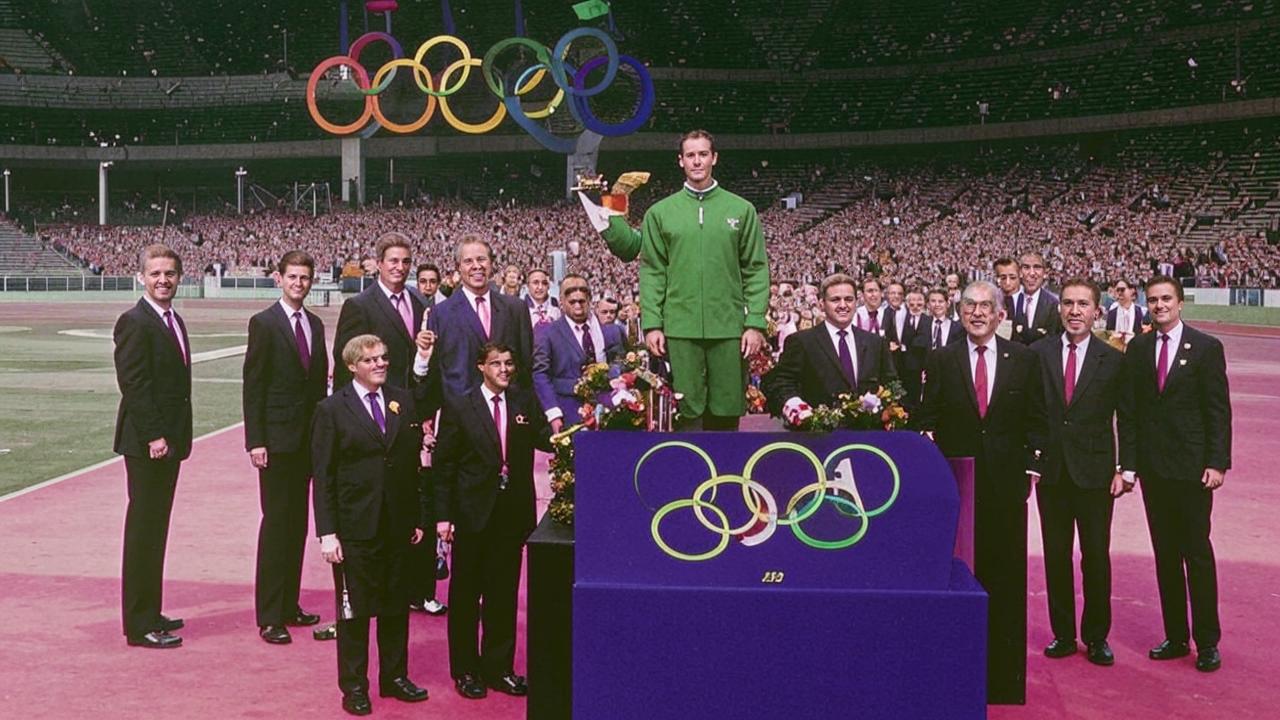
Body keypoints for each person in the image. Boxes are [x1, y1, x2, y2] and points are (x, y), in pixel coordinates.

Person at [915, 280, 1042, 705]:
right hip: (959, 485)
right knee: (960, 574)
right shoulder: (942, 358)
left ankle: (1003, 677)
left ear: (1001, 315)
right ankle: (956, 669)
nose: (977, 313)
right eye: (969, 306)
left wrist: (1030, 468)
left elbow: (1036, 419)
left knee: (1005, 577)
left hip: (1007, 486)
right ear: (959, 312)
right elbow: (928, 416)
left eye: (986, 306)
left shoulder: (1024, 360)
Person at [597, 129, 770, 430]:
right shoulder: (660, 213)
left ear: (714, 158)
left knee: (727, 408)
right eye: (690, 155)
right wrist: (652, 324)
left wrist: (754, 323)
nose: (697, 161)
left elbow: (756, 268)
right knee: (685, 409)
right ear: (681, 161)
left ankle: (725, 474)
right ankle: (691, 474)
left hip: (728, 327)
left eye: (703, 154)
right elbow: (651, 271)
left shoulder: (742, 210)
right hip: (680, 327)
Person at [311, 335, 431, 716]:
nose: (380, 364)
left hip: (397, 524)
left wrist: (416, 517)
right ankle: (354, 686)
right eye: (370, 359)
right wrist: (327, 532)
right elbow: (323, 475)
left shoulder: (403, 400)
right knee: (355, 612)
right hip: (354, 528)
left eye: (383, 358)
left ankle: (394, 677)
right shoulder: (331, 410)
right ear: (352, 366)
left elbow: (412, 465)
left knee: (396, 605)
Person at [433, 344, 553, 699]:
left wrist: (581, 430)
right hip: (471, 514)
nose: (504, 369)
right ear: (480, 367)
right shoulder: (459, 405)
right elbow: (444, 466)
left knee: (503, 594)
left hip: (511, 515)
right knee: (467, 595)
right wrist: (443, 516)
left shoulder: (523, 402)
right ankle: (466, 670)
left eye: (509, 363)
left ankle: (499, 668)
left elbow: (544, 438)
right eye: (497, 363)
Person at [1124, 275, 1231, 673]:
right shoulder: (1137, 348)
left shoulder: (1206, 348)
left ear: (1181, 303)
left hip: (1193, 470)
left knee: (1197, 554)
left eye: (1166, 298)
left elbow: (1218, 410)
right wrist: (1130, 465)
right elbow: (1130, 412)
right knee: (1166, 556)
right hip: (1154, 470)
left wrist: (1217, 462)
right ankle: (1175, 635)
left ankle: (1207, 641)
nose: (1159, 306)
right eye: (1152, 300)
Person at [1026, 279, 1136, 667]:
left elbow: (1128, 418)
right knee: (1056, 555)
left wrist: (1127, 469)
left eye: (1083, 304)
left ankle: (1096, 636)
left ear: (1096, 311)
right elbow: (1028, 412)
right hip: (1052, 473)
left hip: (1095, 473)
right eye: (1069, 303)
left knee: (1095, 557)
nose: (1075, 311)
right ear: (1060, 309)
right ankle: (1063, 634)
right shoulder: (1036, 354)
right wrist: (1029, 462)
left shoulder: (1113, 360)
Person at [242, 250, 328, 644]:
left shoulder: (314, 324)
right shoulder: (264, 323)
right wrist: (256, 440)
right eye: (292, 277)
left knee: (298, 525)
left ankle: (290, 604)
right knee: (276, 525)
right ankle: (269, 614)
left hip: (307, 441)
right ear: (279, 278)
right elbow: (254, 386)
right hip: (275, 442)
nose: (298, 283)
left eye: (305, 277)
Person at [114, 244, 193, 649]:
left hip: (170, 441)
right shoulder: (134, 321)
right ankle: (139, 622)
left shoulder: (172, 319)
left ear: (180, 276)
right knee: (143, 531)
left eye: (170, 273)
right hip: (149, 443)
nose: (163, 279)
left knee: (156, 530)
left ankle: (151, 609)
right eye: (156, 273)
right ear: (141, 276)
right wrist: (154, 436)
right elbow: (134, 384)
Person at [762, 273, 897, 423]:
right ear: (821, 304)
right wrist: (796, 407)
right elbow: (780, 382)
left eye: (849, 299)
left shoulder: (875, 343)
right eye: (835, 300)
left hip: (867, 436)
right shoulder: (802, 341)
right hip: (819, 437)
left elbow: (891, 385)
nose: (843, 305)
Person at [420, 235, 534, 404]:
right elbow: (436, 370)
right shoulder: (440, 313)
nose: (476, 266)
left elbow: (526, 363)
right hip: (460, 413)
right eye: (468, 261)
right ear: (458, 267)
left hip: (508, 408)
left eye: (482, 259)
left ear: (491, 264)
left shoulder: (516, 308)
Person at [333, 232, 426, 390]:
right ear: (379, 263)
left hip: (415, 402)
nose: (400, 267)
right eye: (393, 261)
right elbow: (346, 363)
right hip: (378, 401)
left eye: (406, 261)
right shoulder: (358, 306)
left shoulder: (419, 300)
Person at [533, 284, 626, 432]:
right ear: (562, 303)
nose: (578, 306)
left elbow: (620, 361)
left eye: (582, 301)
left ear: (589, 302)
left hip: (605, 409)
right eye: (572, 302)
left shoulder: (609, 331)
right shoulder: (549, 332)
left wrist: (612, 375)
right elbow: (540, 374)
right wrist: (553, 413)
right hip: (567, 410)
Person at [1010, 251, 1062, 344]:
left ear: (1045, 273)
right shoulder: (1010, 301)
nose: (1032, 273)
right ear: (1019, 272)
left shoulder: (1054, 304)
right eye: (1026, 267)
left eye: (1037, 267)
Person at [916, 288, 963, 353]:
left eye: (941, 301)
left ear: (947, 304)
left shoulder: (958, 328)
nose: (937, 305)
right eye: (933, 301)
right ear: (928, 305)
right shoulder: (921, 325)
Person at [1105, 278, 1147, 343]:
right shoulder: (1112, 313)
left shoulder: (1140, 312)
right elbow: (1108, 335)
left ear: (1132, 291)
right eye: (1117, 290)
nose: (1119, 293)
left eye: (1122, 290)